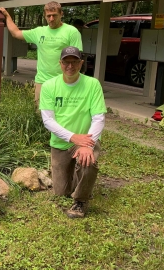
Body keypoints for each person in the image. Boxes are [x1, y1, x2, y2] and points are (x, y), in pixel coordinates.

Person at [39, 46, 107, 218]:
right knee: (61, 191)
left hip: (86, 140)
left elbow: (98, 118)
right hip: (61, 144)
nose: (70, 66)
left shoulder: (92, 84)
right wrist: (72, 137)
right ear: (60, 63)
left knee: (87, 161)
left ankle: (81, 200)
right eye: (66, 62)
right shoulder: (49, 86)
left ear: (81, 63)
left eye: (75, 61)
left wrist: (87, 144)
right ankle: (80, 180)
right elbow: (48, 120)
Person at [0, 2, 83, 105]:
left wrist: (72, 82)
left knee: (62, 116)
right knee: (40, 114)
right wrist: (7, 15)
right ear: (45, 16)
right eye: (48, 16)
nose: (51, 19)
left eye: (54, 15)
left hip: (64, 82)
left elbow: (76, 60)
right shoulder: (39, 32)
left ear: (61, 14)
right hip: (42, 82)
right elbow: (16, 33)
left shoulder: (72, 32)